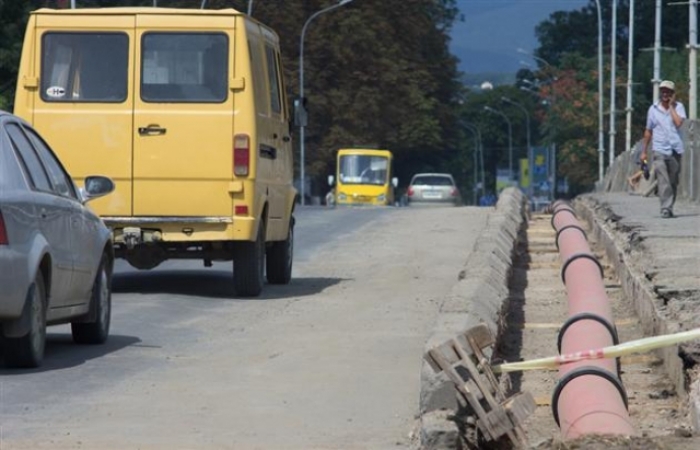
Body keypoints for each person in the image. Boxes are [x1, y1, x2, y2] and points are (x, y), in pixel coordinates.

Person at [640, 80, 686, 218]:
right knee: (663, 179)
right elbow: (648, 131)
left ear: (673, 94)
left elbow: (678, 123)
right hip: (659, 149)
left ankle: (669, 207)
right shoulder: (653, 109)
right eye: (663, 91)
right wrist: (643, 151)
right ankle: (665, 208)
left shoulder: (679, 107)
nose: (665, 94)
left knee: (673, 180)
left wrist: (671, 106)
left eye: (668, 91)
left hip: (675, 149)